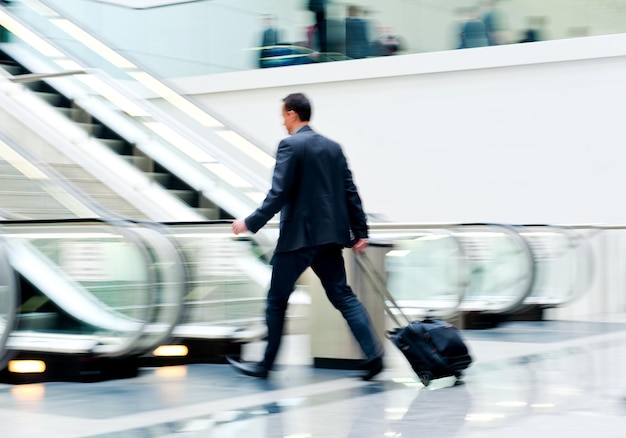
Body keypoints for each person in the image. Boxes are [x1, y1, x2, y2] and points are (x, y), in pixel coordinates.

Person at [227, 93, 384, 380]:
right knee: (343, 297)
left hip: (298, 238)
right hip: (330, 238)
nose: (281, 121)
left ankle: (266, 365)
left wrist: (249, 222)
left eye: (282, 115)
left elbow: (279, 193)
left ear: (291, 114)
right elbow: (350, 192)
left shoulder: (290, 145)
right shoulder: (333, 148)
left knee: (277, 300)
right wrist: (361, 232)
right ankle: (374, 356)